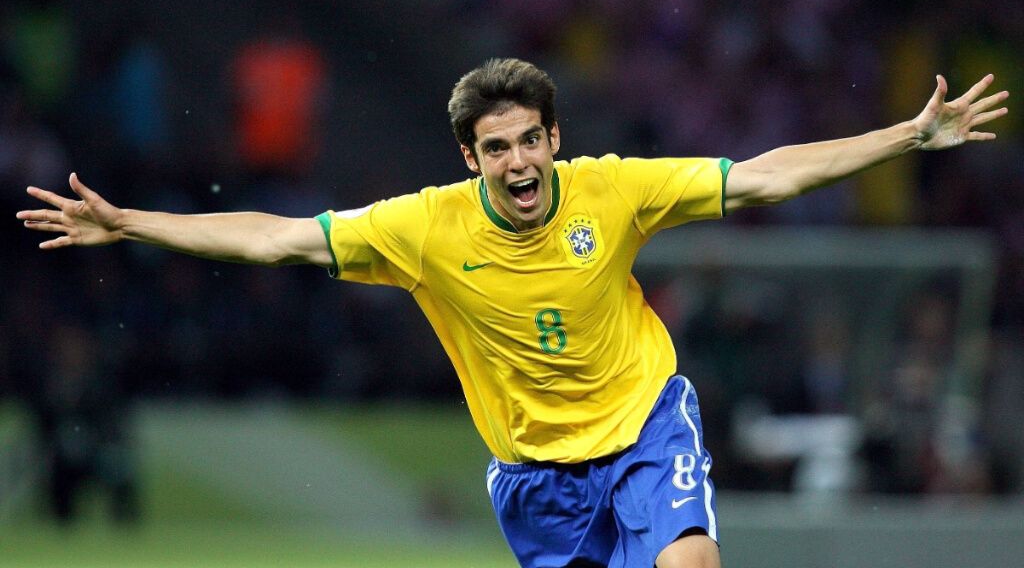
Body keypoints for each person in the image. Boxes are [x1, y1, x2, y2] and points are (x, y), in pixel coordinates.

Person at [17, 58, 1008, 567]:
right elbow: (275, 237)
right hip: (535, 477)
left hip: (645, 426)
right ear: (468, 159)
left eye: (532, 140)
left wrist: (906, 138)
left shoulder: (611, 189)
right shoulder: (421, 230)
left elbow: (758, 180)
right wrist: (132, 224)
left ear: (554, 138)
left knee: (692, 559)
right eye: (498, 148)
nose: (521, 162)